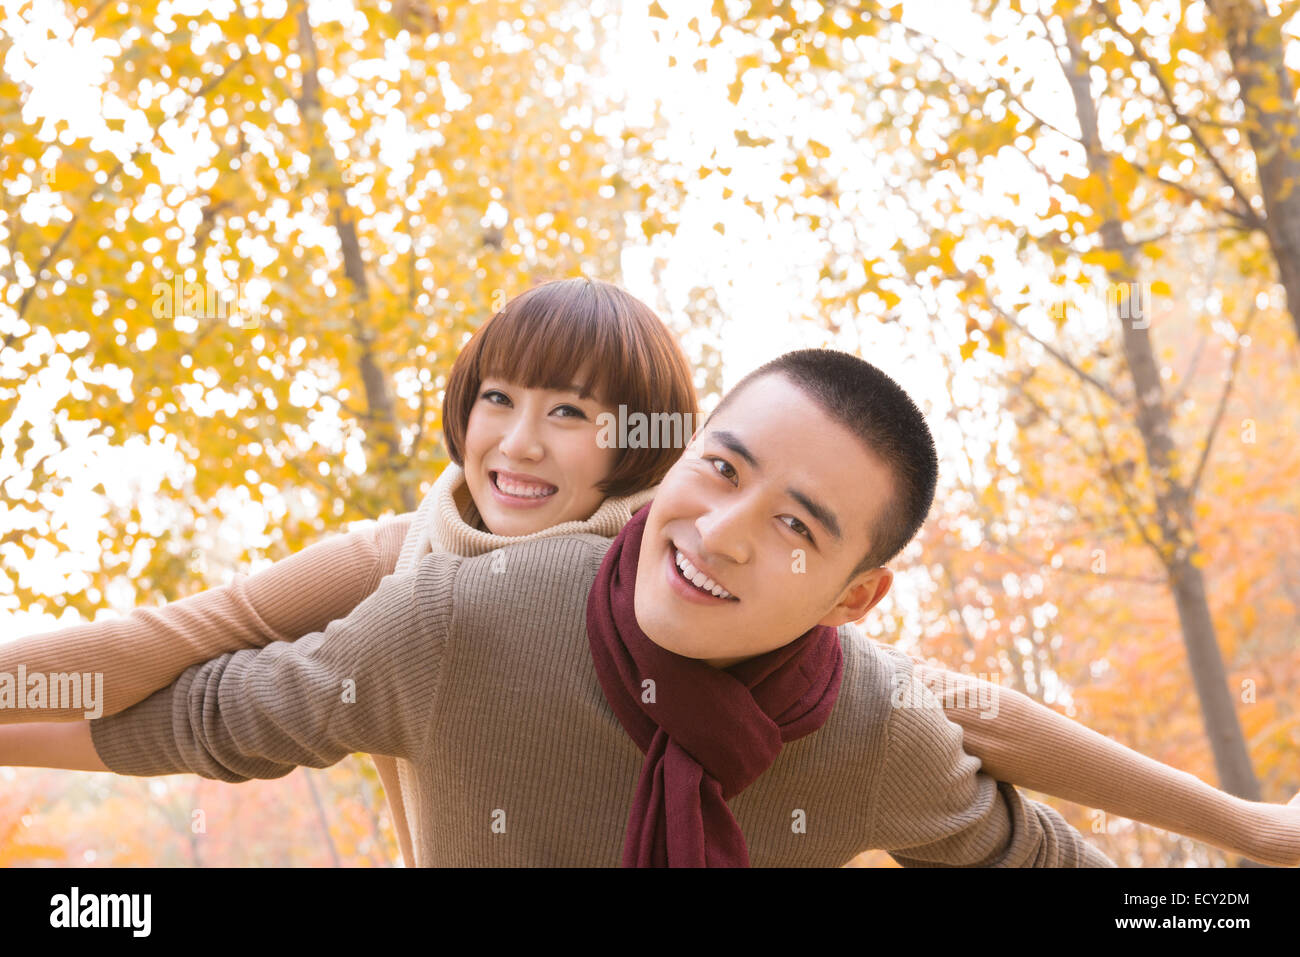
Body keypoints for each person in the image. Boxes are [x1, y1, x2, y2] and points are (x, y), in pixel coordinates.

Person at [1, 284, 1296, 864]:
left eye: (570, 414)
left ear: (639, 450)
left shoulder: (824, 682)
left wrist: (1243, 832)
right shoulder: (429, 580)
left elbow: (982, 725)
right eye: (495, 398)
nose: (515, 442)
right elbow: (187, 668)